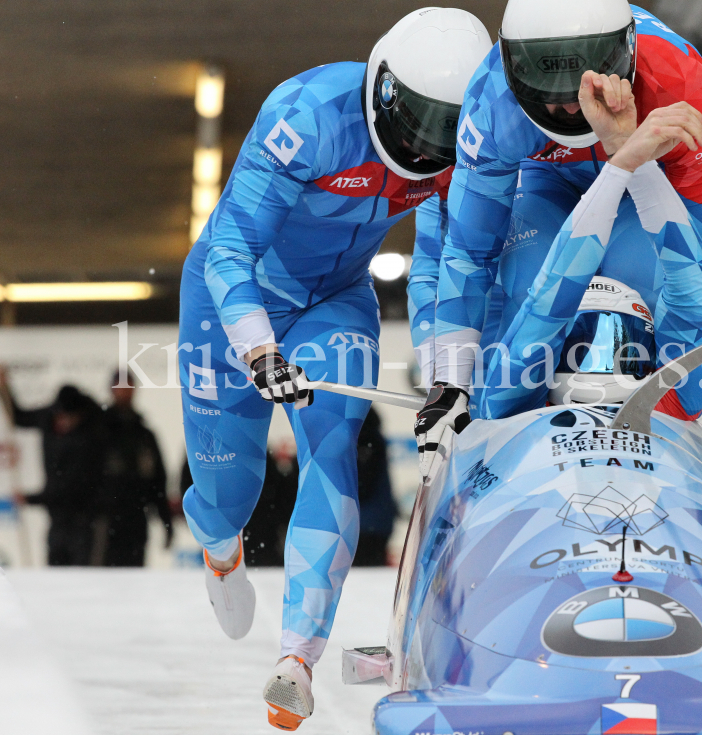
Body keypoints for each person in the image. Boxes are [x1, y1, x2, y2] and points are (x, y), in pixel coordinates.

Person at [176, 9, 492, 730]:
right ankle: (218, 544)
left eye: (448, 127)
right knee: (232, 489)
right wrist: (258, 348)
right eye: (416, 121)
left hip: (336, 303)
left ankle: (297, 658)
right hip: (233, 300)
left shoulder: (462, 153)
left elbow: (446, 268)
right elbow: (230, 247)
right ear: (383, 89)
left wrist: (449, 373)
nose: (426, 144)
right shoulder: (305, 115)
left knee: (332, 448)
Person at [413, 0, 702, 470]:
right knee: (529, 285)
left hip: (644, 184)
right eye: (581, 350)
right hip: (570, 181)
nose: (570, 105)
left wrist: (701, 386)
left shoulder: (678, 81)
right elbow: (470, 250)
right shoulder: (492, 106)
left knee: (551, 297)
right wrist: (450, 385)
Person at [477, 83, 702, 421]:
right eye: (583, 349)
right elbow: (696, 297)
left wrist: (630, 160)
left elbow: (546, 305)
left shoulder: (508, 405)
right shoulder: (677, 404)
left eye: (621, 348)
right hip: (546, 177)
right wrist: (626, 159)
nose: (599, 367)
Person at [0, 370, 105, 566]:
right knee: (57, 576)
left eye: (69, 418)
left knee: (82, 578)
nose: (62, 422)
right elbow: (18, 416)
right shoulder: (48, 418)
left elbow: (71, 486)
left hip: (83, 519)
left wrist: (31, 498)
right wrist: (4, 387)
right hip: (56, 519)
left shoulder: (90, 437)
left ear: (80, 415)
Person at [97, 370, 172, 567]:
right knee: (102, 578)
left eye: (128, 387)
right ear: (112, 389)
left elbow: (158, 481)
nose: (124, 392)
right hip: (104, 518)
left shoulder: (144, 434)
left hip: (137, 517)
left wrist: (166, 521)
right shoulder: (97, 430)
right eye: (120, 387)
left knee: (134, 576)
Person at [354, 408, 397, 566]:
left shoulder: (363, 441)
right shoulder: (374, 439)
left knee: (360, 576)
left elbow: (363, 484)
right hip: (378, 521)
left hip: (364, 523)